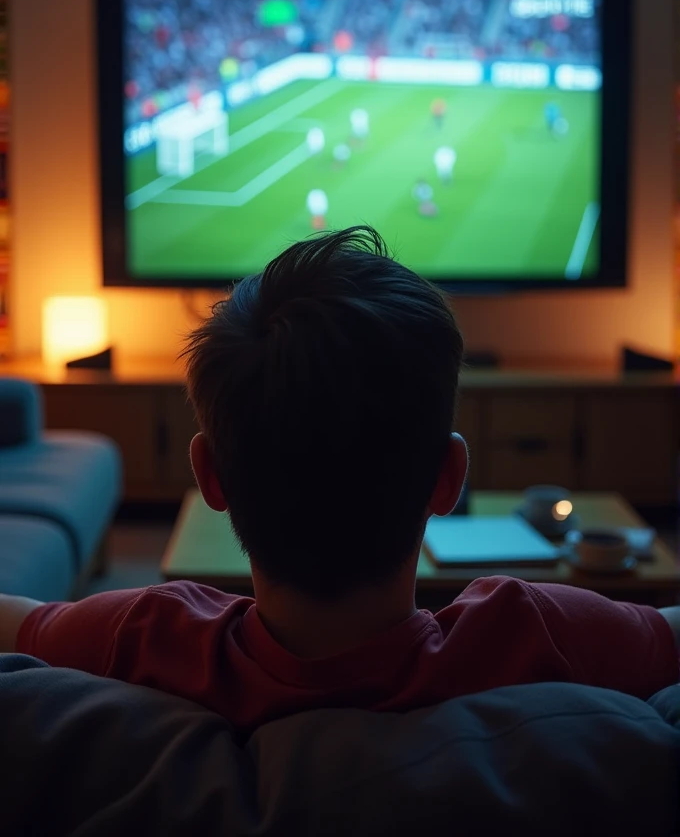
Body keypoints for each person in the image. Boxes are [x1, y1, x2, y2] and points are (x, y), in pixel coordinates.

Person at [1, 226, 679, 741]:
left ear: (209, 475)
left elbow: (18, 622)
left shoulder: (142, 637)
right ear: (449, 479)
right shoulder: (538, 633)